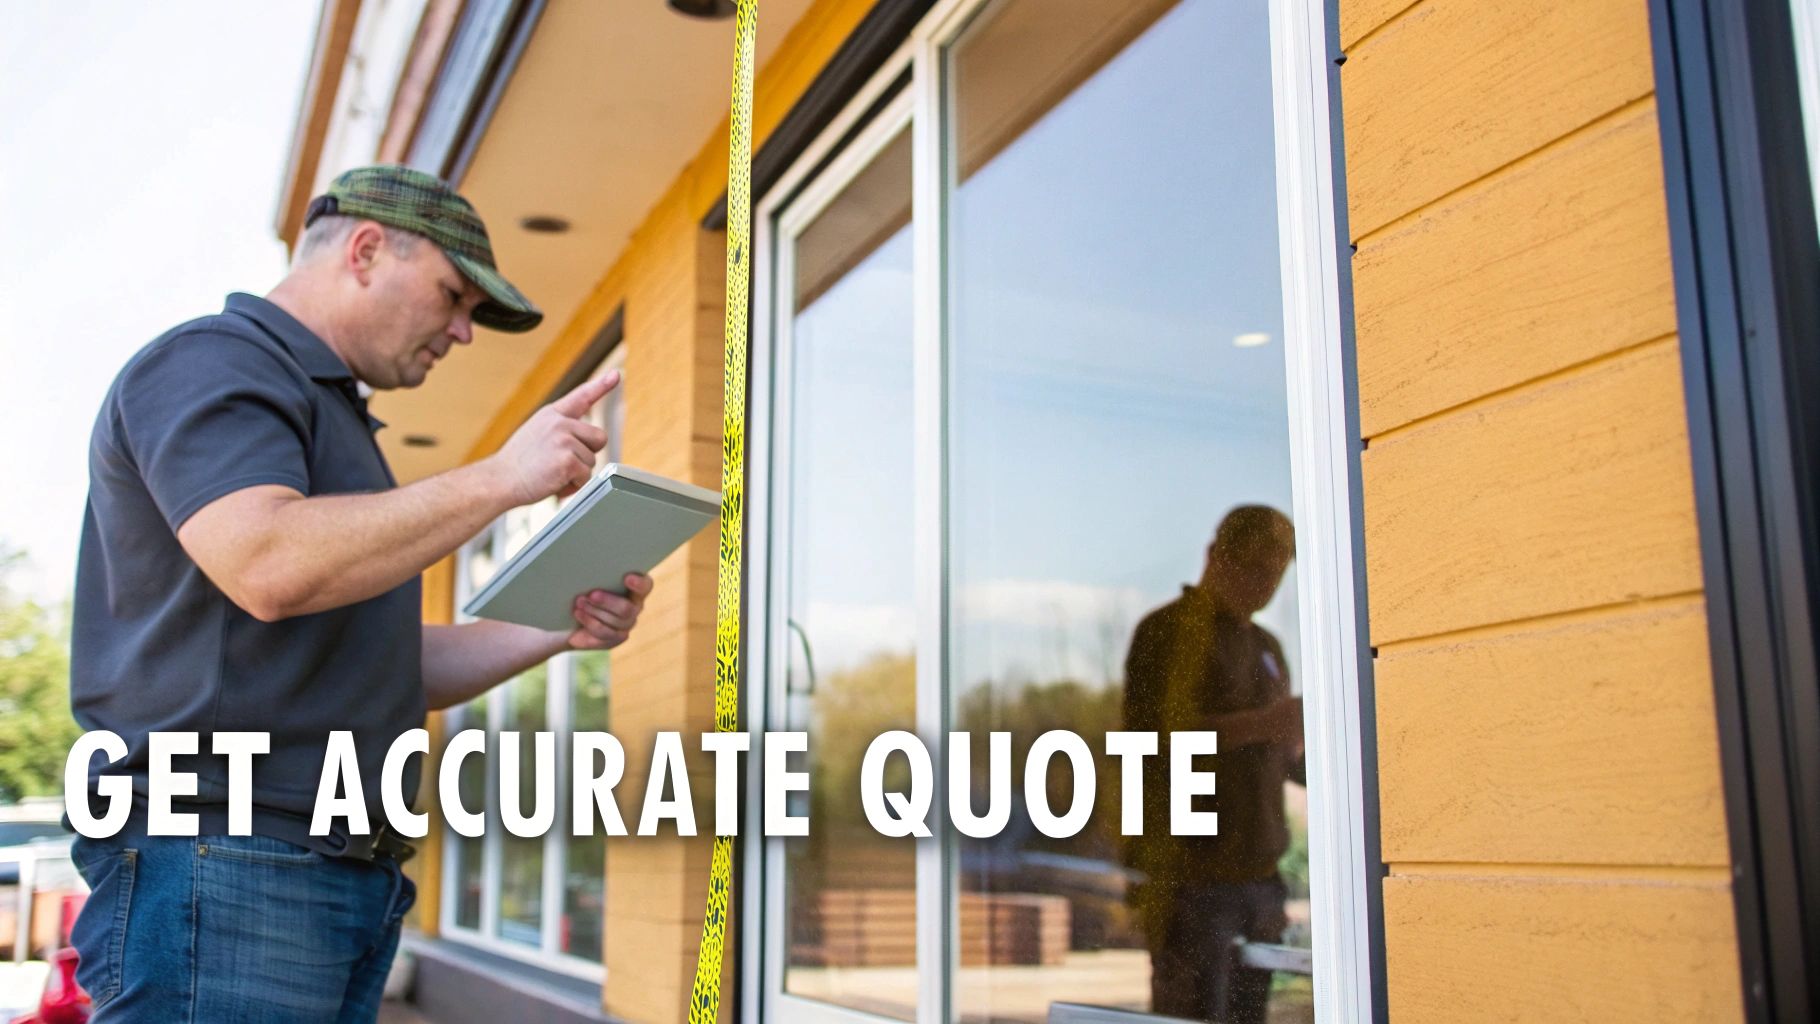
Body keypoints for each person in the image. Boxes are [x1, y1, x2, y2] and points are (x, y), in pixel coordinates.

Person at [66, 165, 652, 1022]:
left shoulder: (339, 422)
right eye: (455, 297)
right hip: (222, 859)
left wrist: (558, 631)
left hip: (333, 874)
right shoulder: (213, 363)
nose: (463, 333)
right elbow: (267, 562)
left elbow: (384, 664)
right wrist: (499, 479)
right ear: (368, 249)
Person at [1122, 505, 1305, 1023]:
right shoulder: (1169, 632)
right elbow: (1155, 743)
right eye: (1251, 567)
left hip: (1261, 881)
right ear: (1214, 556)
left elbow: (1282, 755)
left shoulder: (1267, 646)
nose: (1262, 584)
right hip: (1192, 883)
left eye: (1274, 572)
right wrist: (1266, 724)